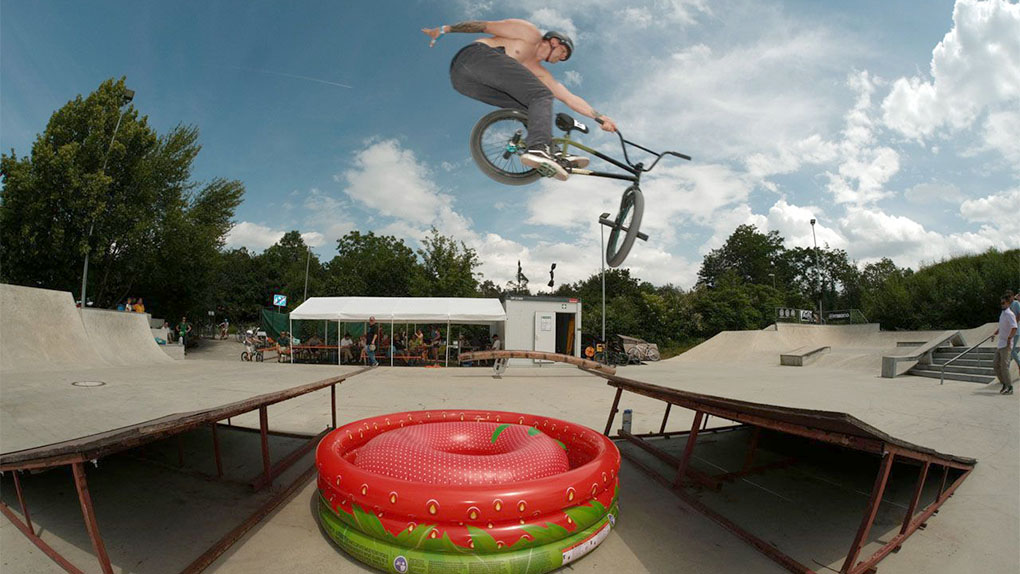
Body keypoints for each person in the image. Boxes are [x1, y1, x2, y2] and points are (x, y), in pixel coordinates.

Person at [423, 18, 617, 181]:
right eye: (563, 53)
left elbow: (569, 97)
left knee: (531, 105)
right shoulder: (529, 33)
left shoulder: (539, 71)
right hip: (475, 58)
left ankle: (551, 150)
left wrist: (600, 118)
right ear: (555, 41)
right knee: (542, 95)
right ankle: (537, 149)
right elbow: (483, 25)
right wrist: (444, 29)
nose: (562, 59)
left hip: (464, 83)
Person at [992, 294, 1017, 395]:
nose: (1001, 304)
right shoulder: (1003, 314)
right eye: (1001, 303)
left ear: (1008, 303)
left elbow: (1014, 327)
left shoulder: (1010, 314)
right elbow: (1002, 326)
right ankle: (1004, 384)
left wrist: (1009, 338)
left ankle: (1009, 387)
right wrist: (995, 333)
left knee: (1004, 366)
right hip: (1000, 344)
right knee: (995, 364)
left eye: (1003, 303)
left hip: (1006, 345)